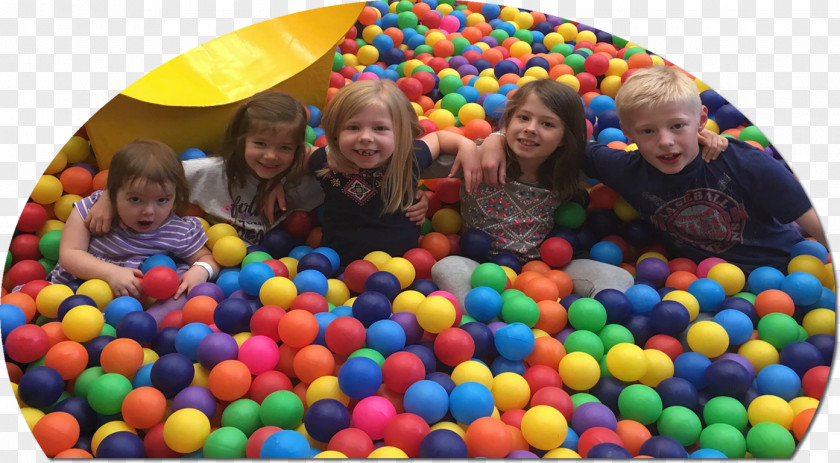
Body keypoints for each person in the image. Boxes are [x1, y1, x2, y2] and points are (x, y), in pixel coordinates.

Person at [482, 66, 825, 273]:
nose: (665, 142)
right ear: (629, 135)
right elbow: (560, 142)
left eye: (678, 126)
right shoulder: (625, 169)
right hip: (697, 283)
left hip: (787, 270)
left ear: (702, 120)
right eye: (648, 131)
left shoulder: (746, 164)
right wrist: (496, 138)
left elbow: (814, 221)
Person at [86, 91, 428, 246]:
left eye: (284, 149)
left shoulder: (315, 177)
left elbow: (326, 161)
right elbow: (144, 171)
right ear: (240, 142)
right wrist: (105, 199)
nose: (270, 157)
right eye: (260, 145)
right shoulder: (208, 170)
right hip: (206, 254)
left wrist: (418, 195)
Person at [310, 79, 481, 266]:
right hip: (335, 269)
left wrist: (466, 144)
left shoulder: (408, 159)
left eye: (380, 128)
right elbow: (296, 155)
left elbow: (438, 139)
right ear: (335, 133)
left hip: (403, 271)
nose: (365, 137)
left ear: (400, 134)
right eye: (353, 127)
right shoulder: (326, 163)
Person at [49, 139, 220, 299]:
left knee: (181, 284)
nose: (148, 211)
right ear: (113, 193)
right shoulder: (92, 210)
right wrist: (111, 273)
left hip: (137, 308)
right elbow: (69, 254)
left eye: (162, 200)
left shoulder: (178, 231)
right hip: (74, 295)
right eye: (135, 199)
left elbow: (208, 257)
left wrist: (201, 270)